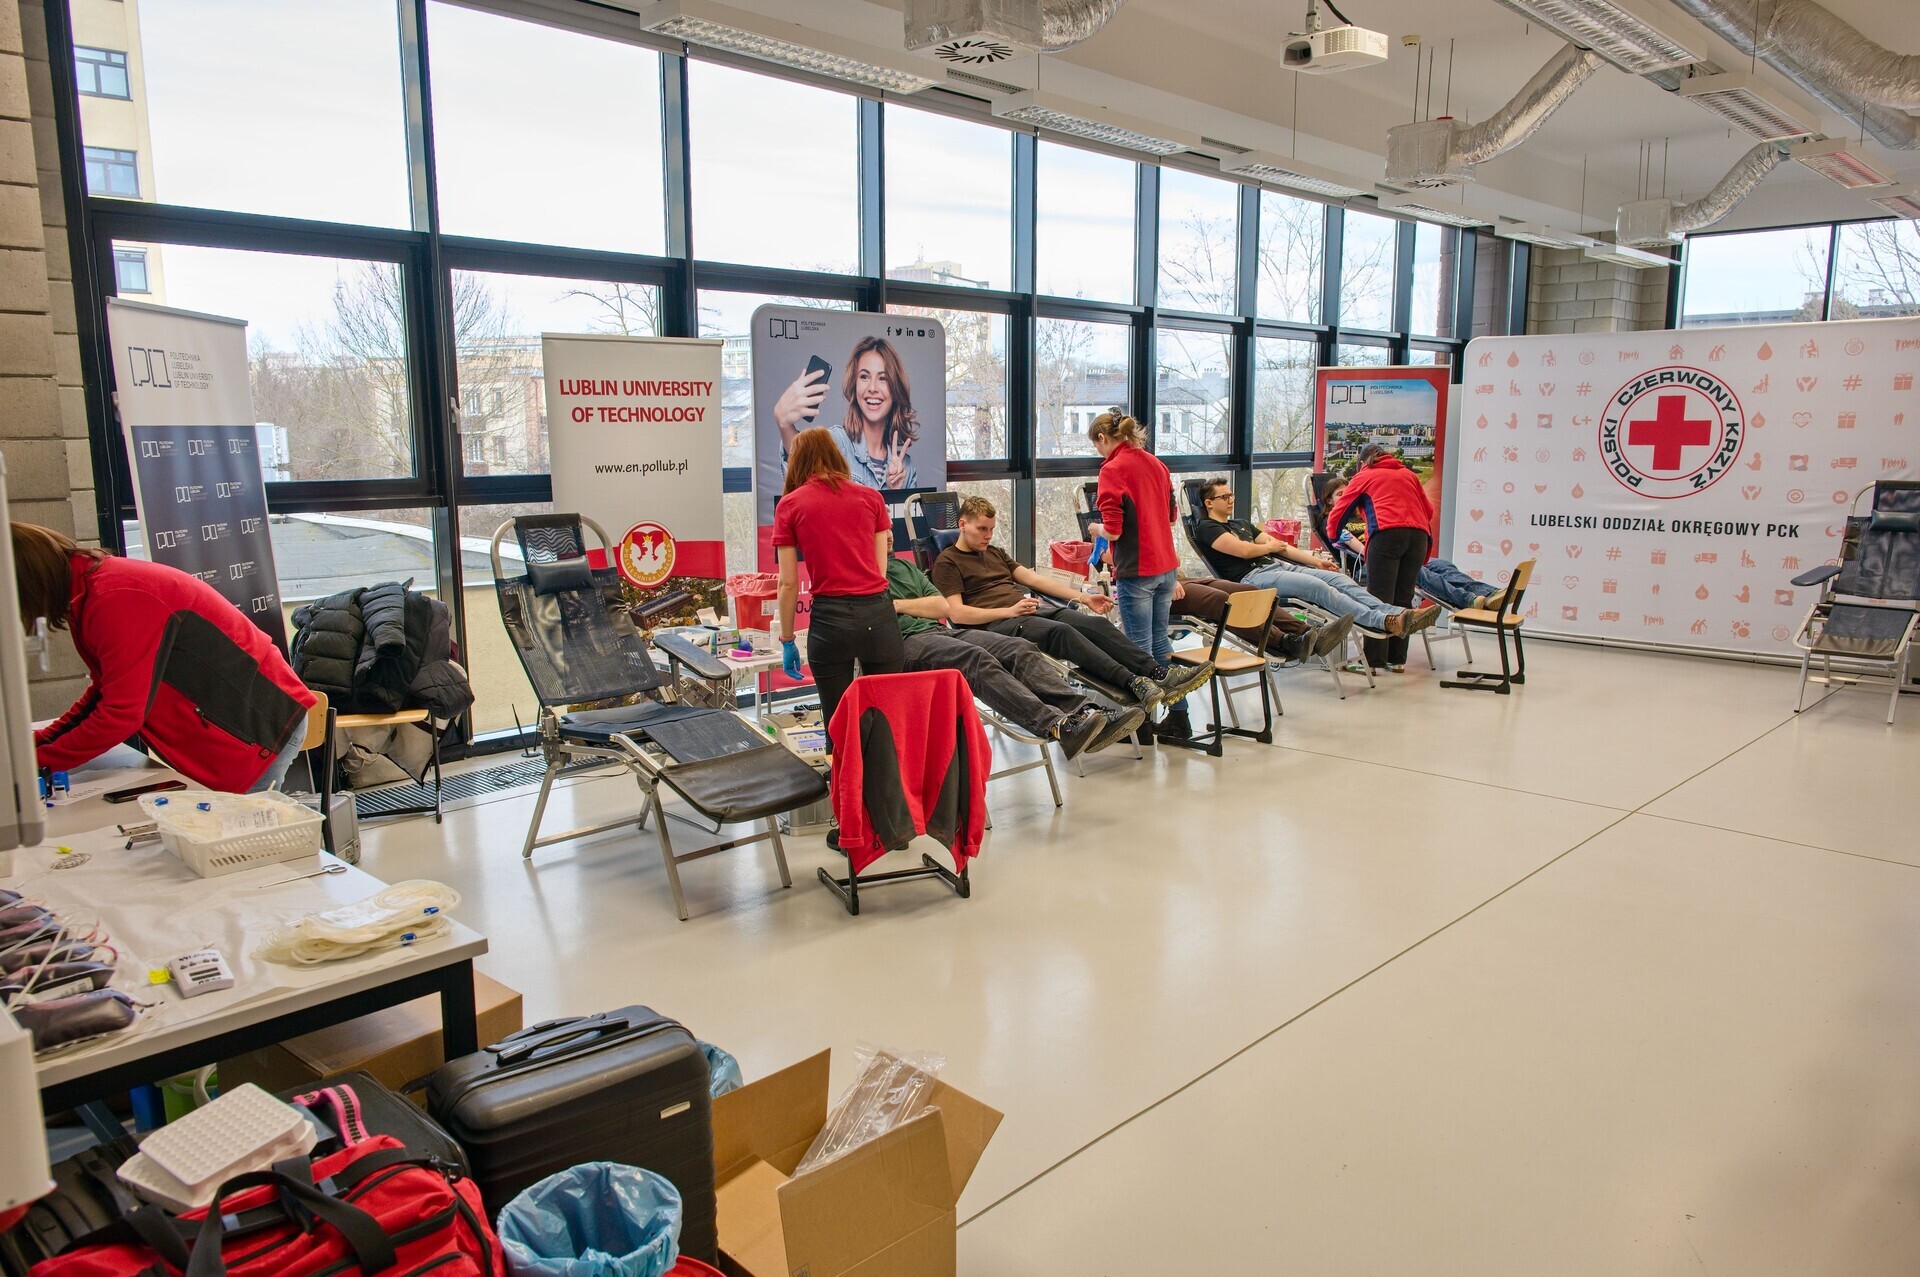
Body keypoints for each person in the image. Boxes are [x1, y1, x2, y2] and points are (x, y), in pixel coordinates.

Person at [11, 522, 316, 793]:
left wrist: (33, 762)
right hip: (235, 729)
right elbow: (106, 692)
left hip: (257, 727)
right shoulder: (90, 591)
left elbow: (120, 715)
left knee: (245, 836)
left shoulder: (114, 597)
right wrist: (34, 748)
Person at [929, 496, 1211, 720]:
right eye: (982, 529)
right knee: (1062, 632)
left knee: (1094, 624)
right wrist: (1009, 611)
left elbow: (1034, 580)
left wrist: (1082, 598)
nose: (988, 535)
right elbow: (957, 614)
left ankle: (1158, 674)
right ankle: (1134, 682)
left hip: (1026, 612)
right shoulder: (948, 562)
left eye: (991, 529)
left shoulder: (994, 553)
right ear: (962, 524)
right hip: (994, 625)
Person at [886, 548, 1143, 759]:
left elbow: (941, 607)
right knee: (974, 657)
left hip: (939, 631)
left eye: (888, 528)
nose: (887, 535)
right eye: (880, 529)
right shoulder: (871, 577)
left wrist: (897, 605)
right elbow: (952, 610)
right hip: (903, 642)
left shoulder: (904, 567)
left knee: (1020, 648)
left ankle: (1084, 714)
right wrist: (914, 606)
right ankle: (1058, 726)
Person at [1190, 479, 1439, 651]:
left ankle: (1396, 612)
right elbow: (1245, 551)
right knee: (1317, 588)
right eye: (1224, 497)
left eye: (1231, 495)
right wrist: (1269, 547)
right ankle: (1382, 621)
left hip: (1277, 568)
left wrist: (1316, 562)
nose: (1230, 499)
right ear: (1209, 503)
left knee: (1340, 579)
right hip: (1252, 577)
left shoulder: (1240, 523)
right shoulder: (1207, 528)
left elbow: (1281, 547)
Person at [773, 427, 902, 747]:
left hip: (830, 623)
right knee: (884, 720)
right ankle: (883, 780)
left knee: (838, 722)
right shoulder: (871, 497)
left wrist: (787, 639)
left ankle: (842, 780)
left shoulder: (790, 505)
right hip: (878, 616)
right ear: (835, 454)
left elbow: (788, 583)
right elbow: (880, 570)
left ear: (797, 460)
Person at [1084, 411, 1191, 736]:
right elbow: (1171, 517)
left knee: (1137, 648)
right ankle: (1179, 718)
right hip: (1166, 567)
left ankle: (1141, 726)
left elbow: (1114, 530)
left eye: (1097, 446)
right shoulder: (1156, 464)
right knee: (1160, 642)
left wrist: (1095, 529)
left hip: (1137, 569)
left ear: (1103, 438)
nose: (1099, 453)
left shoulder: (1112, 469)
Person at [1326, 444, 1437, 672]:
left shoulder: (1364, 475)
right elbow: (1429, 511)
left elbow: (1340, 511)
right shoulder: (1408, 474)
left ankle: (1373, 661)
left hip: (1386, 536)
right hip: (1419, 537)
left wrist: (1333, 536)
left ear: (1362, 462)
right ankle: (1397, 660)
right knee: (1404, 597)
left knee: (1378, 599)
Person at [772, 336, 919, 491]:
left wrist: (894, 493)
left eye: (883, 378)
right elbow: (801, 465)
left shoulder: (907, 469)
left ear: (895, 388)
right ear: (854, 385)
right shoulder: (835, 444)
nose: (872, 388)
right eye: (864, 377)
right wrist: (784, 425)